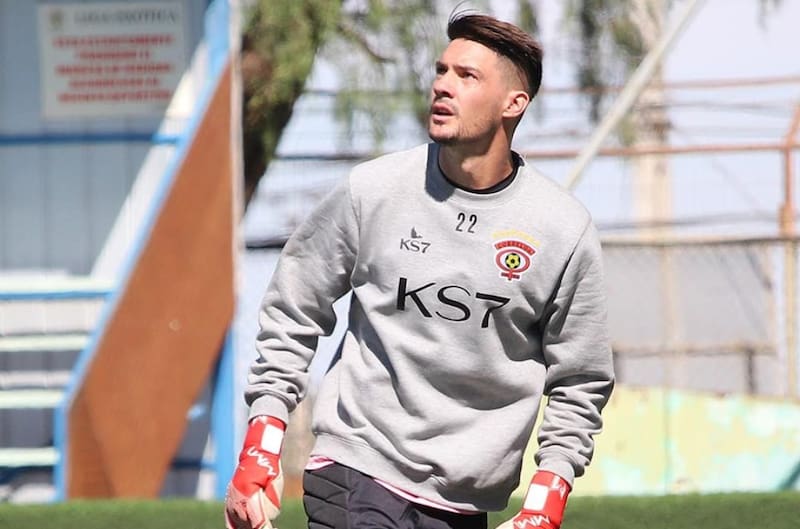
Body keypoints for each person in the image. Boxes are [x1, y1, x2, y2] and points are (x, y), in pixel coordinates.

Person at [225, 10, 614, 529]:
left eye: (466, 76)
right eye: (442, 70)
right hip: (357, 466)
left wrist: (548, 498)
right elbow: (295, 307)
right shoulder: (374, 191)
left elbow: (581, 379)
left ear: (513, 103)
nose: (442, 86)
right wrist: (262, 442)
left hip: (465, 500)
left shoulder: (562, 229)